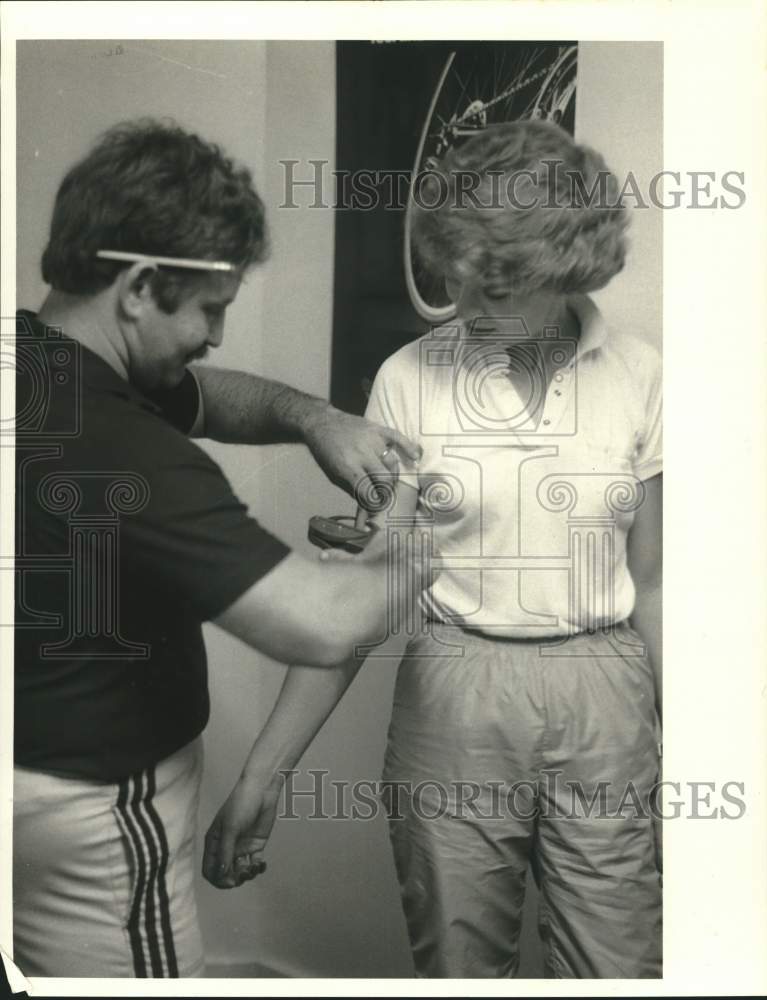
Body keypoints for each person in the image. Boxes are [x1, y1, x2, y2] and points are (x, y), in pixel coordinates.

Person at [205, 120, 663, 979]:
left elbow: (655, 582)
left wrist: (695, 748)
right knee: (458, 967)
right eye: (456, 285)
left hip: (607, 688)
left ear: (562, 271)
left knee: (621, 966)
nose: (466, 311)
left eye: (494, 291)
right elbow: (357, 608)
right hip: (452, 689)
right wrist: (264, 776)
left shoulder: (638, 374)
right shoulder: (408, 378)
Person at [12, 118, 423, 979]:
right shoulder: (126, 445)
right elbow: (319, 625)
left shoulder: (34, 361)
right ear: (140, 287)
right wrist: (440, 537)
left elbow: (204, 394)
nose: (217, 336)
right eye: (210, 308)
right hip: (90, 805)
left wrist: (314, 418)